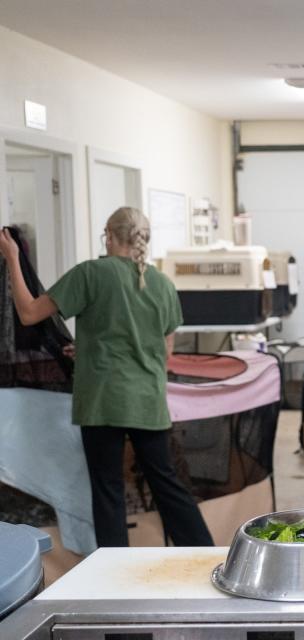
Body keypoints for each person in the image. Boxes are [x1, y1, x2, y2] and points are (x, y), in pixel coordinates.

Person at [0, 207, 213, 548]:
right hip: (147, 402)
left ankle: (115, 574)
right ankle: (207, 556)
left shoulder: (90, 273)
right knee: (168, 486)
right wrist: (91, 347)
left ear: (110, 236)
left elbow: (28, 314)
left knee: (108, 490)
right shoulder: (162, 284)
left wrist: (12, 257)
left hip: (102, 402)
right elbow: (164, 352)